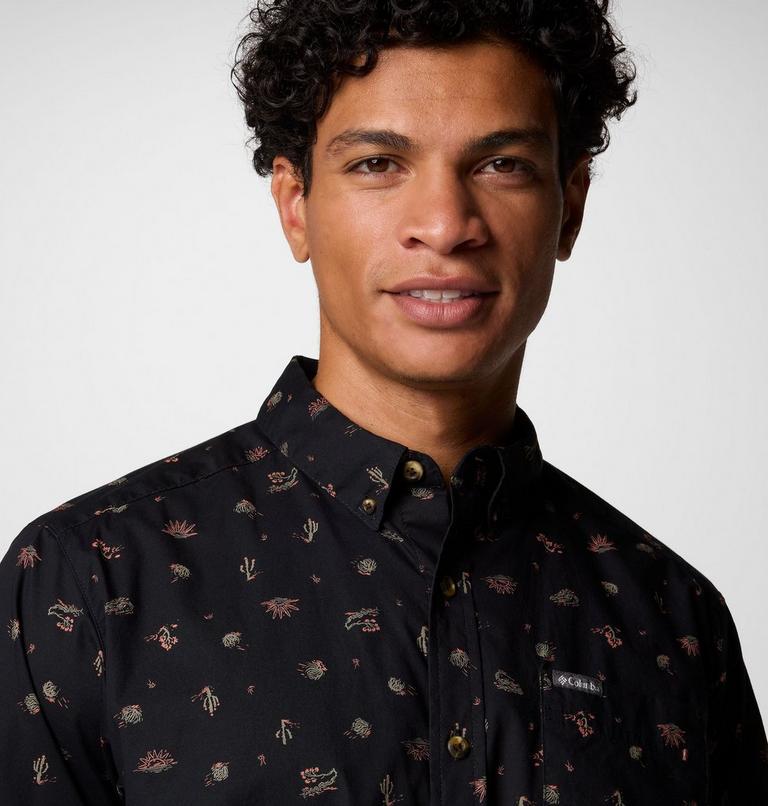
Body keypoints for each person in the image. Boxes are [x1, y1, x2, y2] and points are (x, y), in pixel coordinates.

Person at [1, 0, 766, 802]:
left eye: (501, 164)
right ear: (295, 206)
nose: (444, 225)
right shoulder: (89, 581)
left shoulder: (673, 619)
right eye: (377, 164)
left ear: (569, 206)